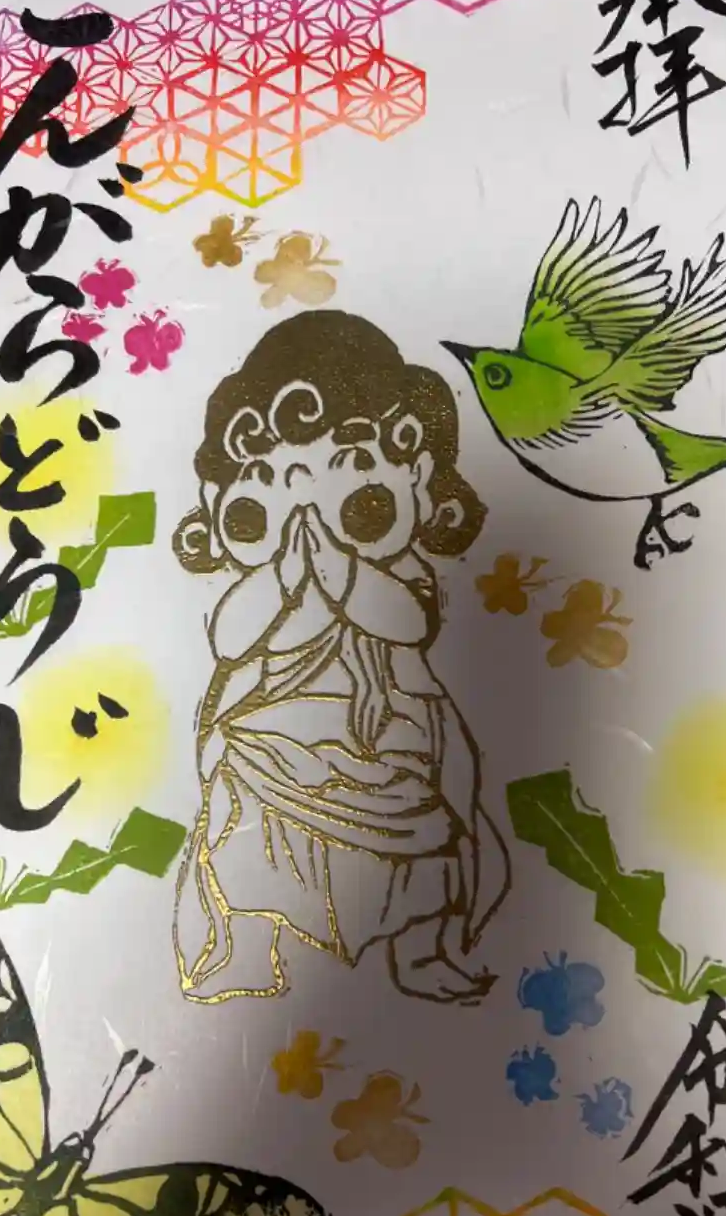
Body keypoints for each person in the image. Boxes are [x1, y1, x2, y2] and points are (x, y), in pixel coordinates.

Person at [172, 310, 510, 1006]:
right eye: (258, 509)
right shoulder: (257, 586)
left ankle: (423, 950)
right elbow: (231, 639)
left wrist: (340, 571)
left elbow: (408, 622)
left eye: (359, 504)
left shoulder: (402, 575)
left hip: (388, 745)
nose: (312, 523)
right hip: (269, 744)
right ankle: (245, 950)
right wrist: (283, 579)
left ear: (418, 481)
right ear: (217, 502)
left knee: (422, 851)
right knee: (245, 847)